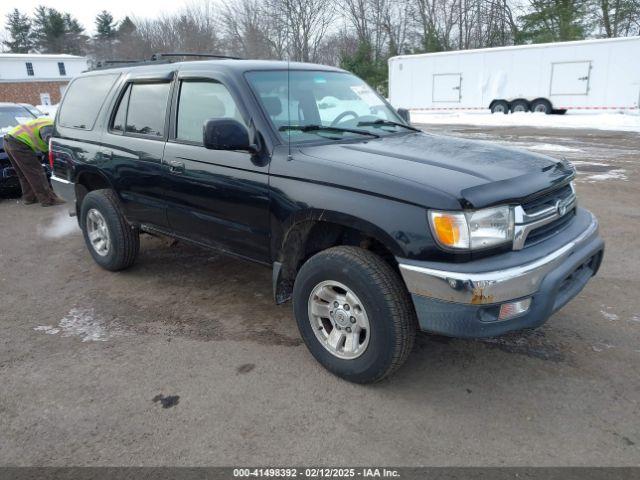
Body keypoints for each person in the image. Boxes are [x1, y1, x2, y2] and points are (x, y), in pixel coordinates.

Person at [3, 116, 64, 206]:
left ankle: (29, 198)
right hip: (18, 143)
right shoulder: (49, 126)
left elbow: (46, 148)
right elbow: (50, 142)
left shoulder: (46, 122)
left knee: (24, 174)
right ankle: (48, 200)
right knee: (36, 173)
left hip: (9, 141)